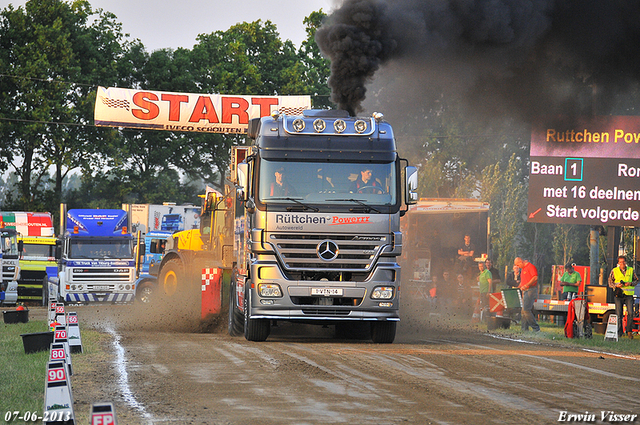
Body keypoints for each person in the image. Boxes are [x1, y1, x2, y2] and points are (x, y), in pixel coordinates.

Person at [607, 255, 638, 339]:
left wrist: (630, 283)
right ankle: (619, 332)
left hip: (628, 295)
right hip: (619, 294)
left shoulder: (631, 270)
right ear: (618, 263)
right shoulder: (614, 271)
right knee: (619, 314)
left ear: (626, 262)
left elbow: (637, 280)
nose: (622, 263)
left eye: (623, 262)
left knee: (631, 313)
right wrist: (617, 285)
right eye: (620, 262)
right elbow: (610, 282)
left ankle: (629, 331)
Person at [514, 257, 540, 332]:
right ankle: (524, 329)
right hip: (525, 291)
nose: (518, 267)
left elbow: (535, 277)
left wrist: (527, 285)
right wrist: (520, 286)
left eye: (518, 265)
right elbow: (524, 281)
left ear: (521, 261)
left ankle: (536, 328)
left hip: (530, 290)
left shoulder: (530, 267)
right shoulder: (523, 269)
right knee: (523, 310)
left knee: (526, 310)